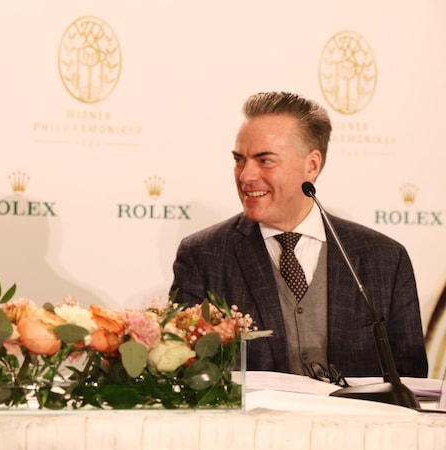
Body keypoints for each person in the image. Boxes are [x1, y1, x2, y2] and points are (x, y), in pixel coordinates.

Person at [170, 91, 428, 378]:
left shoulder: (385, 259)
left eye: (265, 160)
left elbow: (411, 380)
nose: (245, 176)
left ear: (312, 165)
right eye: (239, 160)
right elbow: (186, 372)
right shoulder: (203, 256)